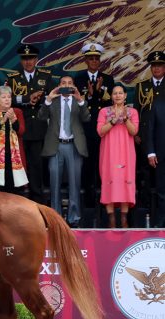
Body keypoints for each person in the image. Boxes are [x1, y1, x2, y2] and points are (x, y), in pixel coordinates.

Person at [38, 75, 90, 228]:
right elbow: (41, 117)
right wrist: (48, 99)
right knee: (55, 182)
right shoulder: (53, 101)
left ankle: (74, 218)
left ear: (74, 86)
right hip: (56, 146)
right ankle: (56, 218)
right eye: (63, 83)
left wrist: (80, 100)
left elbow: (86, 118)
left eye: (69, 83)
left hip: (74, 145)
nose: (66, 85)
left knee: (75, 183)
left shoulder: (78, 101)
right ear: (58, 86)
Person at [6, 44, 54, 204]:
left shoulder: (46, 76)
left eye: (31, 58)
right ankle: (18, 200)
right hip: (19, 128)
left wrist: (40, 98)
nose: (28, 62)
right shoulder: (13, 78)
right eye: (25, 59)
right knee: (18, 165)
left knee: (37, 166)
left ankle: (37, 201)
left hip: (39, 127)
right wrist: (26, 98)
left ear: (36, 59)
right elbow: (6, 99)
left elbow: (53, 97)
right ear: (21, 60)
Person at [74, 43, 115, 208]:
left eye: (96, 58)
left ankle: (104, 199)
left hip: (104, 127)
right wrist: (90, 96)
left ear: (100, 61)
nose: (94, 61)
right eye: (90, 58)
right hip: (85, 127)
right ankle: (88, 202)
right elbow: (76, 104)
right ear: (85, 60)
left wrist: (97, 93)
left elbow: (112, 103)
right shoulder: (78, 79)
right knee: (87, 164)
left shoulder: (108, 79)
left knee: (104, 163)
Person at [97, 83, 139, 228]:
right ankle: (111, 219)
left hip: (126, 152)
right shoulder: (104, 111)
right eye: (115, 93)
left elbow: (134, 132)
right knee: (110, 181)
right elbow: (100, 131)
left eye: (121, 93)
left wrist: (125, 118)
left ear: (125, 95)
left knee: (125, 181)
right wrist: (113, 120)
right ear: (111, 96)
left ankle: (124, 218)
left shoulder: (132, 112)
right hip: (109, 152)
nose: (118, 95)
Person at [134, 50, 165, 209]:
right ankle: (145, 208)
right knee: (144, 174)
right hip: (145, 138)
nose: (157, 68)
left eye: (160, 65)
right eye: (154, 65)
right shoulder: (142, 86)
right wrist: (137, 133)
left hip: (162, 137)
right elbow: (136, 112)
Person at [146, 93, 165, 228]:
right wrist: (151, 152)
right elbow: (150, 129)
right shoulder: (158, 102)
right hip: (160, 155)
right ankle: (162, 220)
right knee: (161, 190)